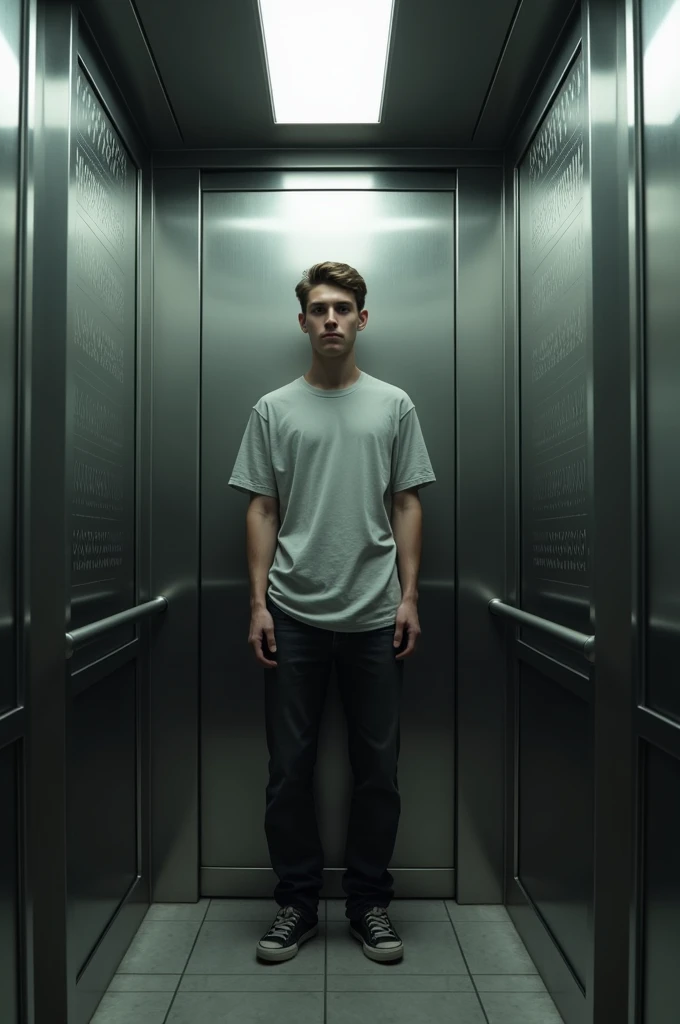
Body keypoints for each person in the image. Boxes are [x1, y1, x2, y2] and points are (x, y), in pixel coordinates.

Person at [228, 261, 436, 966]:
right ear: (303, 322)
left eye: (343, 308)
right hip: (292, 613)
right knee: (289, 769)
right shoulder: (272, 409)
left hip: (377, 614)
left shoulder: (394, 405)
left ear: (362, 319)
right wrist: (257, 604)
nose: (331, 320)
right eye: (319, 309)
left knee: (378, 768)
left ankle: (370, 903)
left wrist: (409, 595)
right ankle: (295, 904)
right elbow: (261, 506)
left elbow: (407, 501)